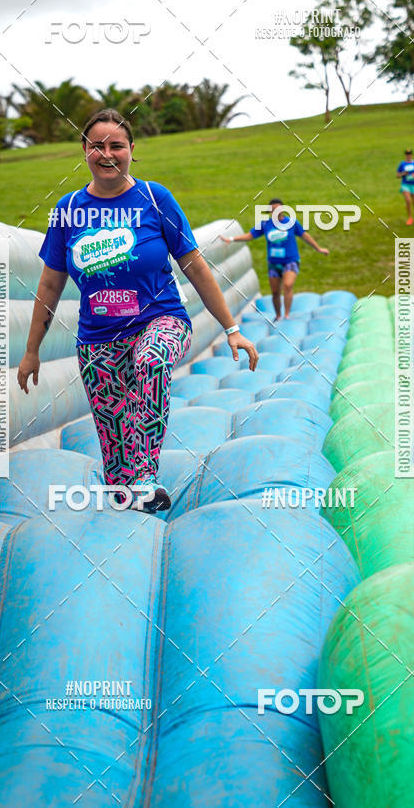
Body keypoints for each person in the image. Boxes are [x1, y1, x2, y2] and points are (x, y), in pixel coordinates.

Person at [17, 108, 258, 513]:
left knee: (151, 360)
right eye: (97, 145)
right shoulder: (69, 209)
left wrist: (232, 328)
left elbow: (195, 266)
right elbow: (50, 284)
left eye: (117, 145)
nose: (107, 154)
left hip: (161, 319)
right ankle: (128, 493)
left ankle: (146, 476)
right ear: (84, 150)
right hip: (98, 340)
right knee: (116, 463)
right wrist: (31, 350)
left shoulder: (154, 198)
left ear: (131, 149)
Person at [220, 199, 329, 321]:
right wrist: (231, 239)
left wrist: (318, 248)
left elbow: (304, 235)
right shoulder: (265, 224)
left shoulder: (291, 223)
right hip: (274, 263)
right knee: (275, 292)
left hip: (290, 261)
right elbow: (249, 236)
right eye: (273, 209)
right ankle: (278, 315)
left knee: (288, 285)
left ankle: (286, 315)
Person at [397, 148, 414, 225]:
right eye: (407, 155)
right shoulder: (402, 164)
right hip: (405, 184)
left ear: (412, 155)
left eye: (409, 154)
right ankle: (410, 217)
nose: (408, 156)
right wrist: (403, 174)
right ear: (405, 155)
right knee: (408, 200)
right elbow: (398, 175)